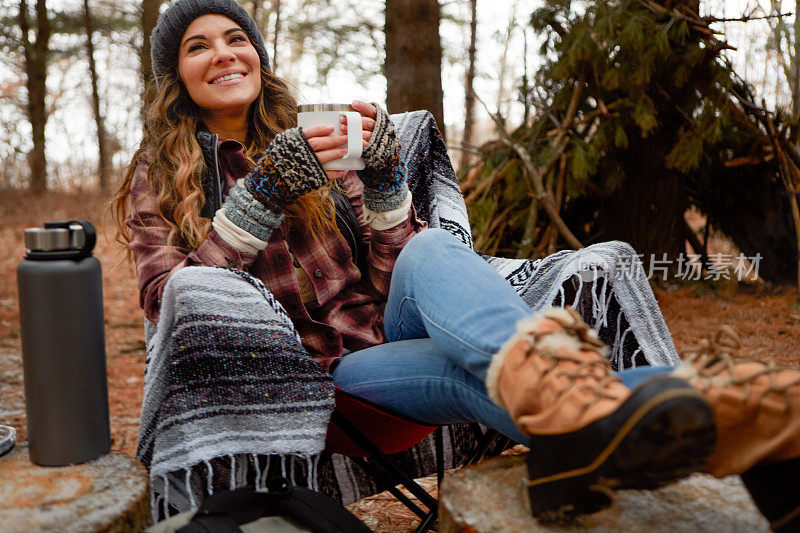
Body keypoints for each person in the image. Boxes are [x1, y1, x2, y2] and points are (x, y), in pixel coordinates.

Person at [112, 0, 800, 527]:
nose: (224, 54)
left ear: (259, 55)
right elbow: (171, 302)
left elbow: (393, 271)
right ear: (175, 73)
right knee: (481, 375)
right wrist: (261, 193)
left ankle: (594, 415)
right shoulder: (160, 175)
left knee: (435, 246)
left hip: (393, 319)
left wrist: (382, 178)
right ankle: (749, 417)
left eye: (236, 38)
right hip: (326, 377)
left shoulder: (316, 141)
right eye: (198, 46)